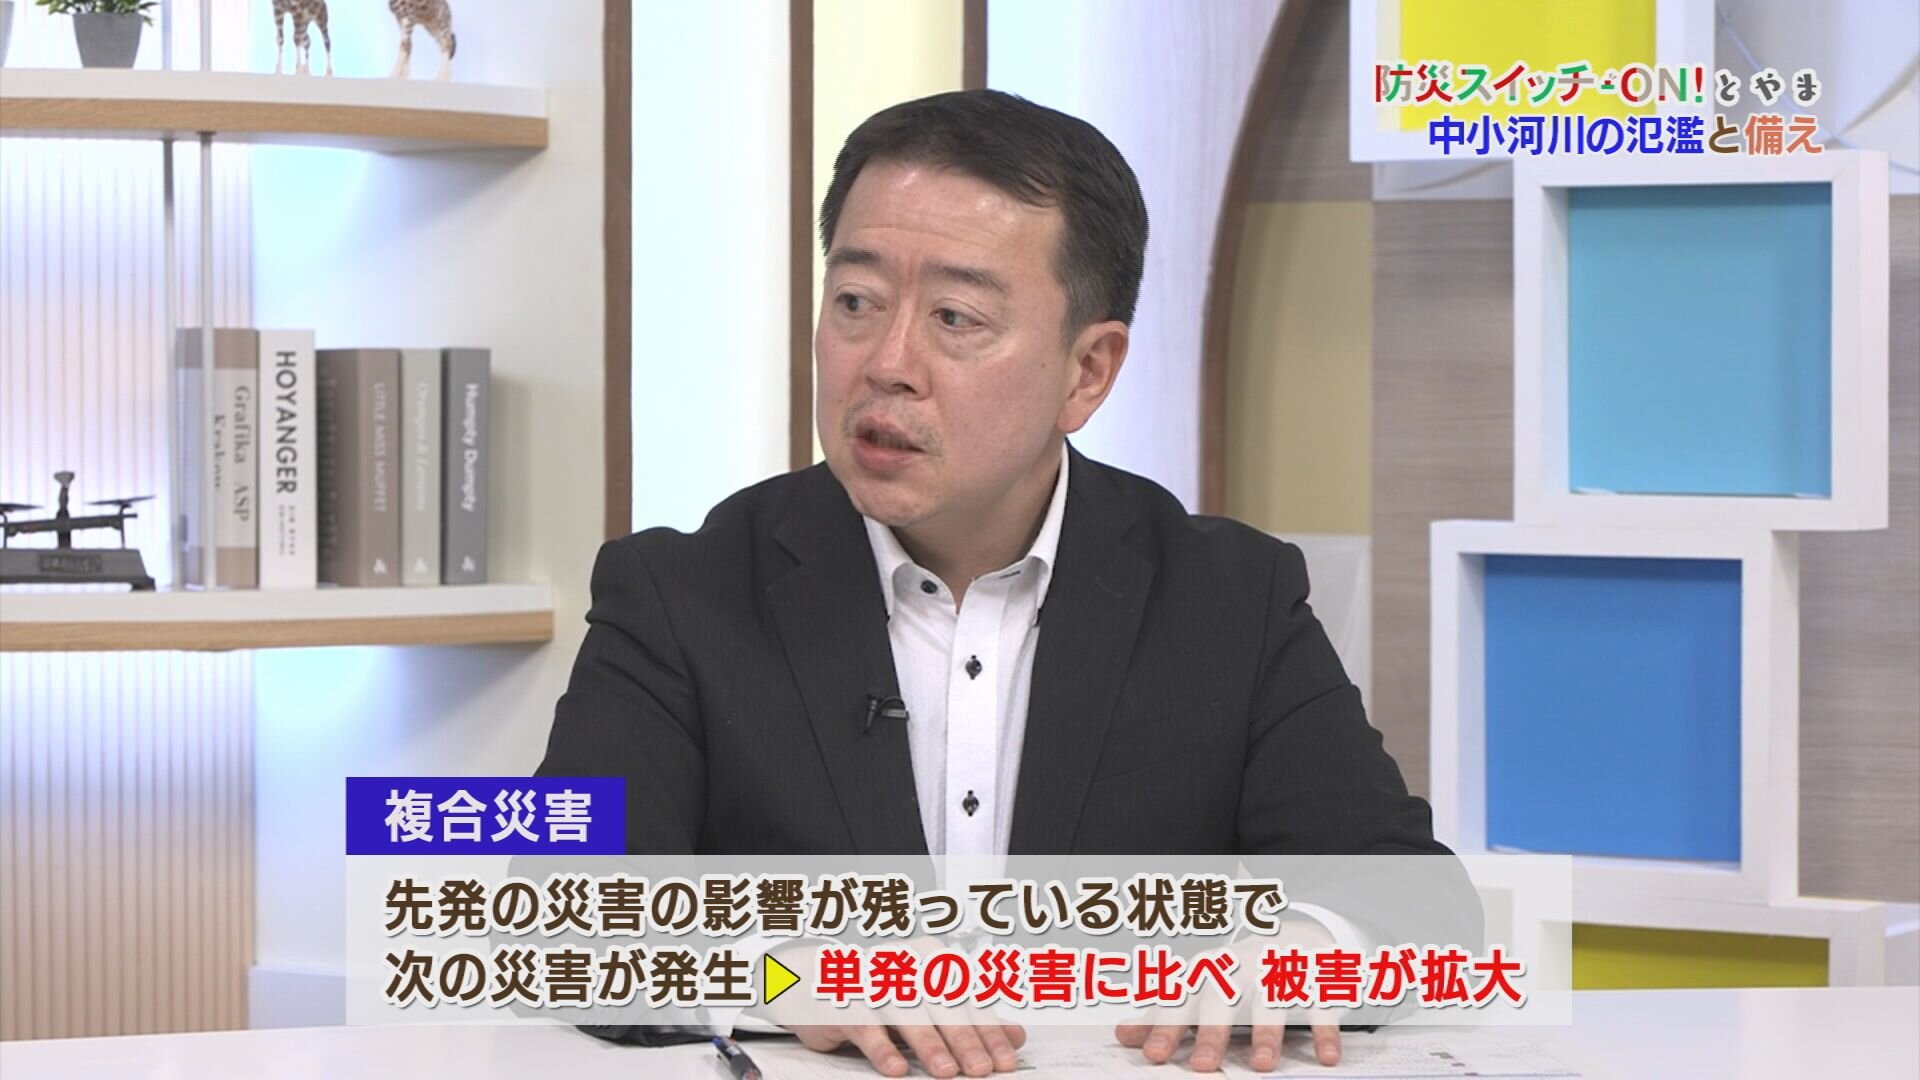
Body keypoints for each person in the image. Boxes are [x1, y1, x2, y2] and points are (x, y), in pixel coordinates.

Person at [537, 89, 1453, 1076]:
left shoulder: (1228, 597)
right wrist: (785, 970)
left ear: (1087, 371)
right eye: (856, 302)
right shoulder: (681, 594)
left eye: (956, 317)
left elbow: (1410, 895)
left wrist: (1305, 946)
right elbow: (556, 917)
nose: (887, 364)